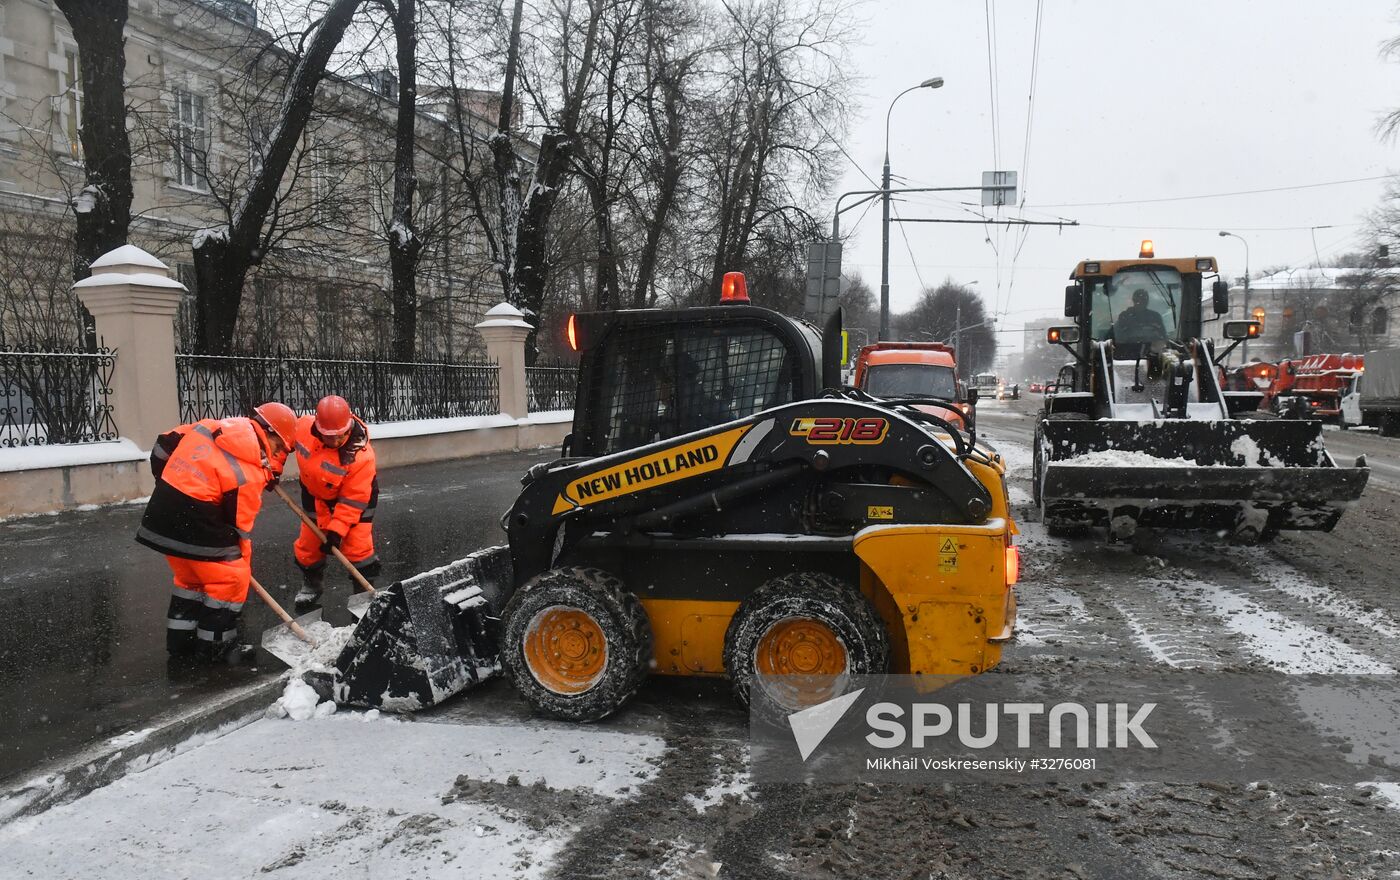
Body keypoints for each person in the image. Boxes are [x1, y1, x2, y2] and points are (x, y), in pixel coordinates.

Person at [136, 402, 297, 661]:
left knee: (191, 579)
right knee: (231, 579)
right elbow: (238, 529)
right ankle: (216, 647)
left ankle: (181, 643)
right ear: (270, 435)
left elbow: (164, 445)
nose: (278, 453)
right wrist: (240, 564)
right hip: (196, 520)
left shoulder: (212, 426)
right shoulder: (249, 473)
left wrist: (169, 483)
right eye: (279, 447)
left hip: (162, 512)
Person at [292, 395, 380, 609]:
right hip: (315, 495)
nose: (335, 441)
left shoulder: (360, 456)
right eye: (329, 436)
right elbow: (279, 440)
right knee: (309, 546)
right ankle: (311, 584)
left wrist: (337, 531)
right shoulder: (303, 428)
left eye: (340, 435)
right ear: (317, 427)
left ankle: (362, 594)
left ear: (349, 426)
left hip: (355, 499)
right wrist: (272, 468)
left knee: (358, 548)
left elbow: (352, 500)